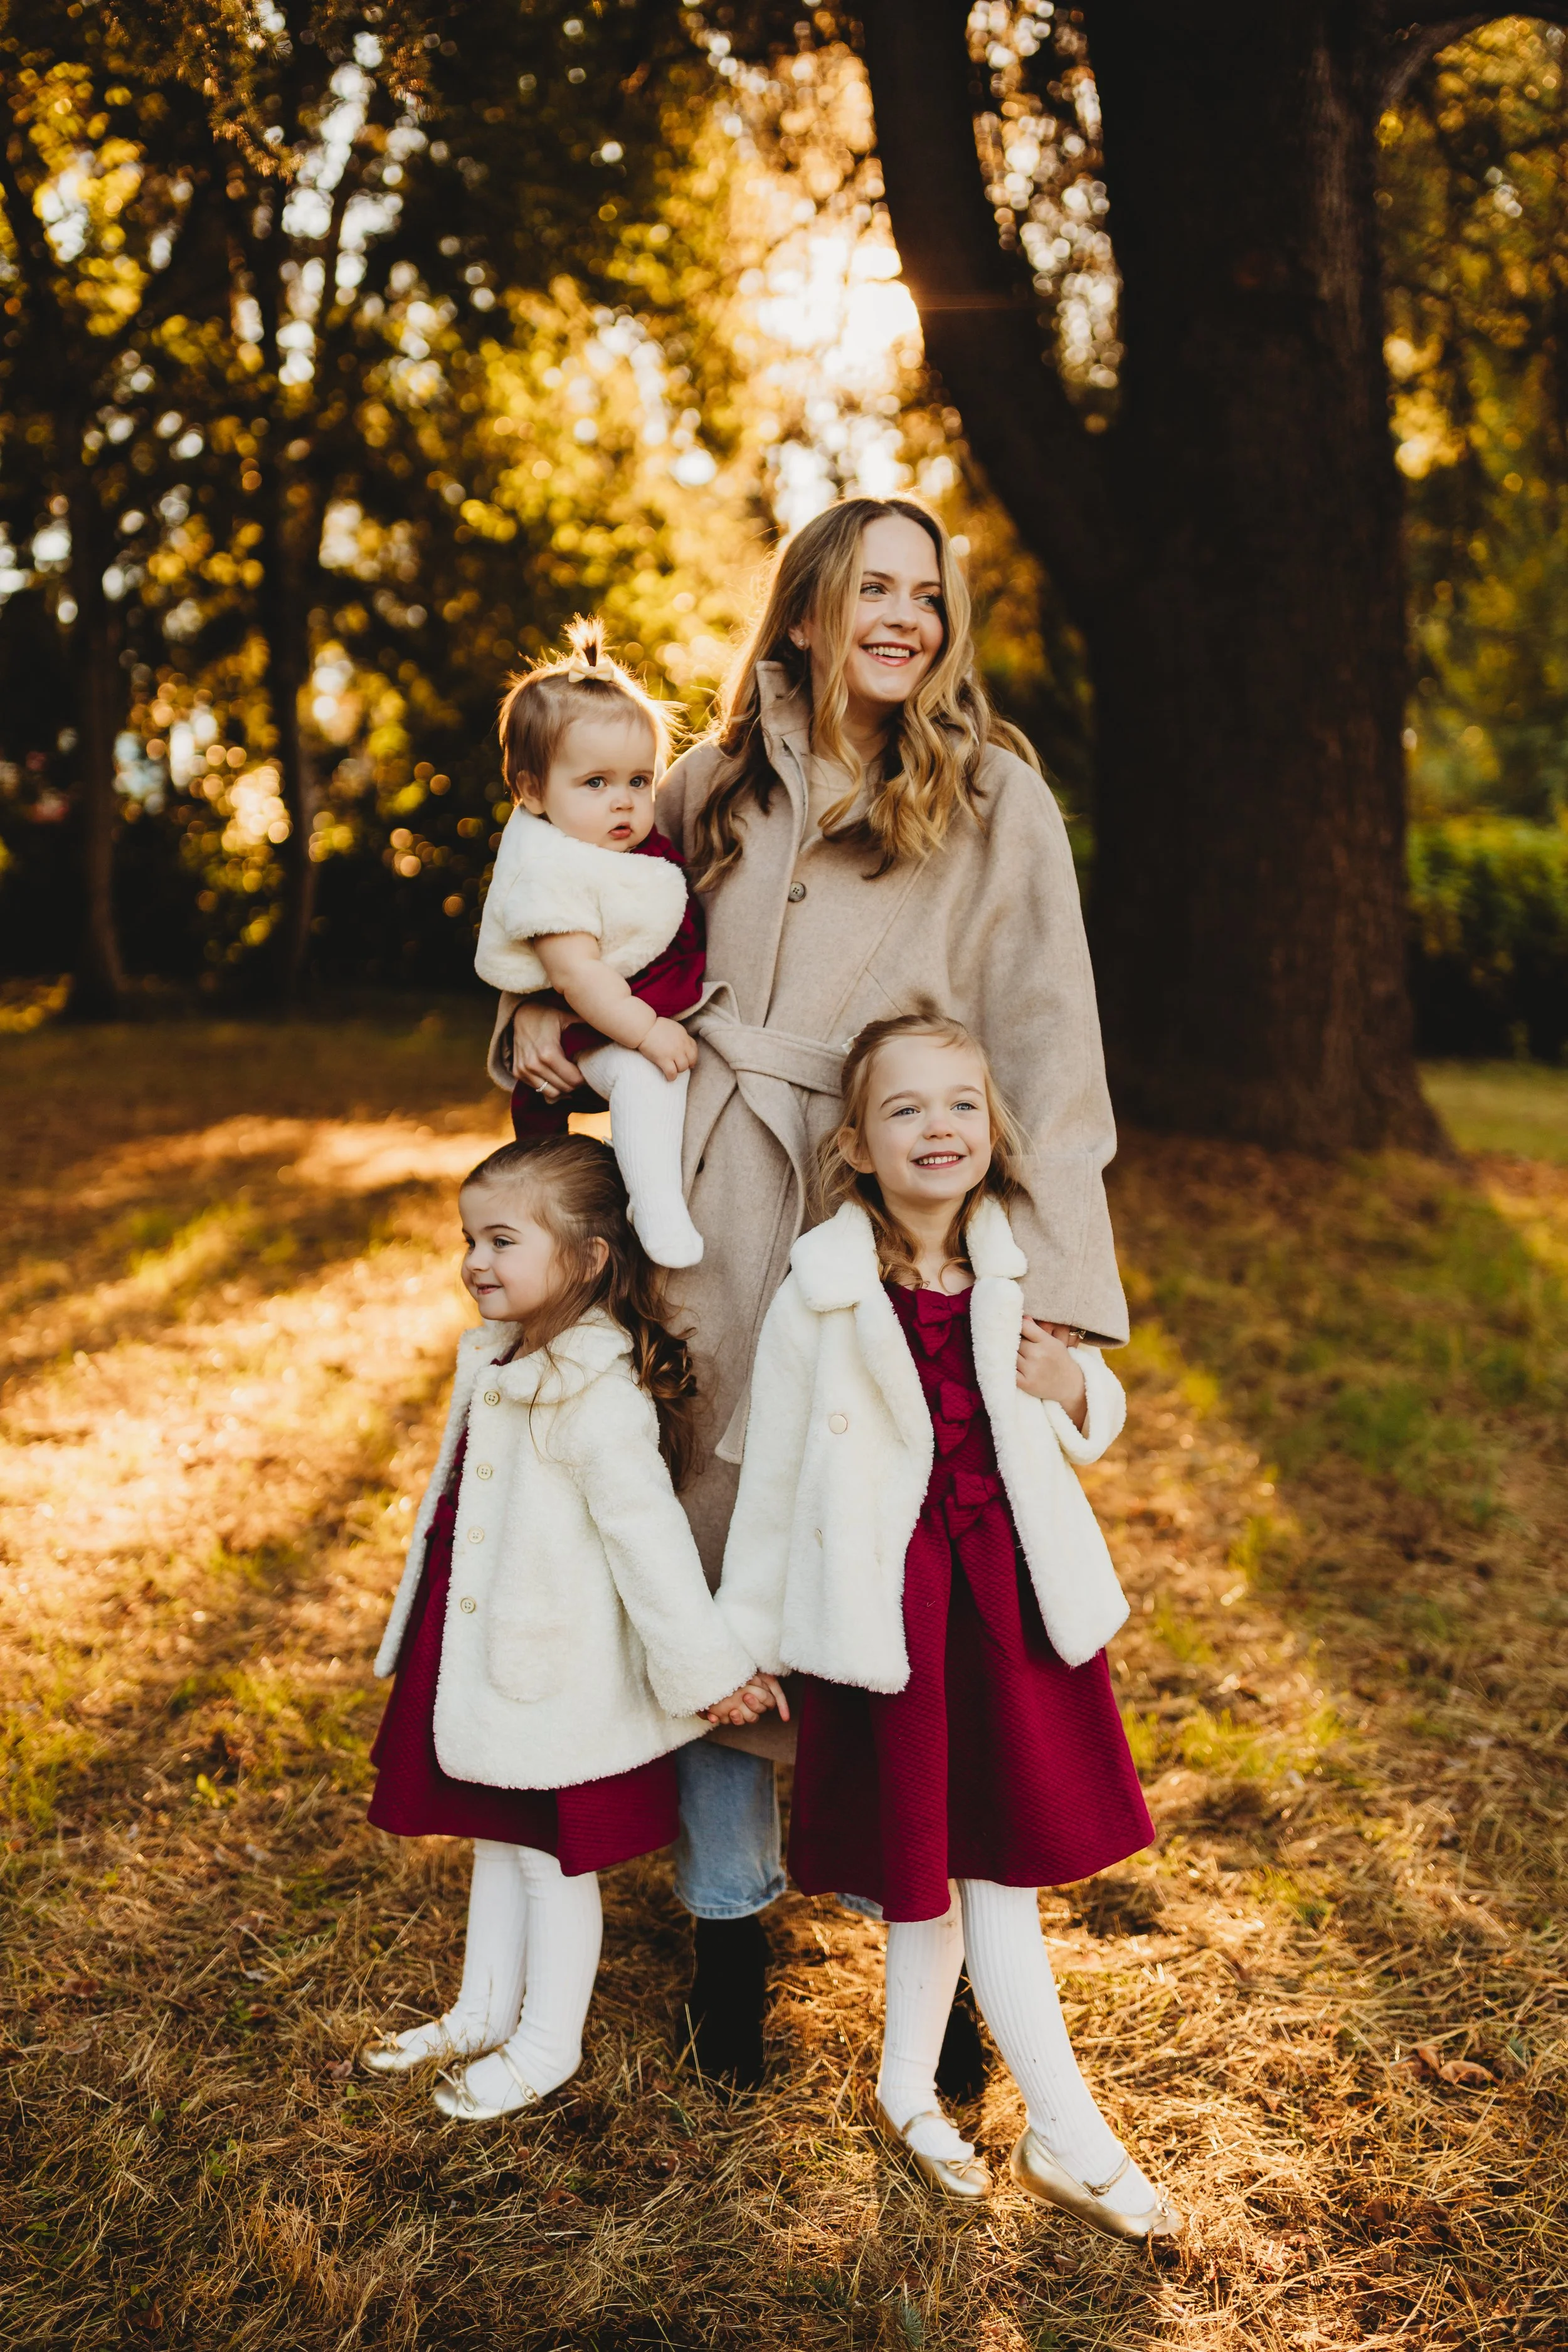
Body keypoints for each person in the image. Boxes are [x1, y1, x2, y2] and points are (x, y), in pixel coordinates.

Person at [492, 497, 1129, 2086]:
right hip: (706, 1205)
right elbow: (570, 924)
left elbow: (1052, 1058)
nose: (908, 617)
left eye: (931, 592)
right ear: (803, 612)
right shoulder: (706, 780)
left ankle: (952, 1932)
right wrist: (534, 1037)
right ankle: (725, 1928)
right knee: (712, 1555)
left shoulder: (997, 799)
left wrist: (1046, 1291)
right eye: (876, 589)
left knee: (926, 1580)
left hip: (896, 1230)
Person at [716, 1012, 1176, 2243]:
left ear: (991, 1132)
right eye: (905, 1110)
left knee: (982, 1869)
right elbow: (769, 1488)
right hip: (895, 1615)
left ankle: (911, 2090)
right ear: (857, 1146)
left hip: (1004, 1608)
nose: (938, 1128)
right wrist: (743, 1641)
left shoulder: (1015, 1269)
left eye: (960, 1106)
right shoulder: (818, 1294)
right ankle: (1063, 2136)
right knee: (952, 1875)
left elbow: (1091, 1415)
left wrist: (1070, 1382)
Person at [361, 1135, 775, 2121]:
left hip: (555, 1669)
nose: (474, 1261)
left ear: (589, 1259)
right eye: (468, 1237)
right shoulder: (501, 1353)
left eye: (503, 1239)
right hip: (487, 1650)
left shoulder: (595, 1389)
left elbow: (651, 1544)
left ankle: (549, 2041)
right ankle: (481, 2007)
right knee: (497, 1843)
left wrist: (707, 1670)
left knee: (549, 1858)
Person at [477, 618, 706, 1268]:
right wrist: (644, 1031)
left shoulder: (621, 845)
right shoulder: (550, 872)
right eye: (596, 784)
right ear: (532, 791)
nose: (624, 804)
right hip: (591, 1031)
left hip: (620, 1018)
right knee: (643, 1076)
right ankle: (653, 1203)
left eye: (639, 781)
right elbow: (578, 976)